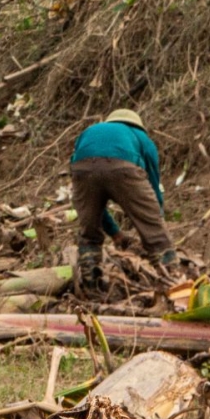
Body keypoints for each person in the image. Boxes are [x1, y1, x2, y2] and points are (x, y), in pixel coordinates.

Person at [70, 109, 178, 292]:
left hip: (81, 168)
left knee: (89, 234)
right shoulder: (140, 136)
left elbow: (94, 209)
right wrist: (156, 217)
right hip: (124, 168)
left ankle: (91, 287)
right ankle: (174, 280)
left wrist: (114, 233)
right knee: (156, 234)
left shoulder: (89, 132)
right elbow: (152, 183)